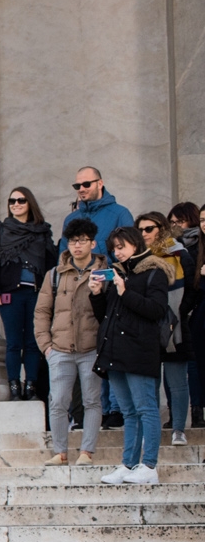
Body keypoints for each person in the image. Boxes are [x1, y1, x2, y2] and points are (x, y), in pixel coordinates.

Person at [93, 226, 168, 485]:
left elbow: (157, 310)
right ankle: (128, 464)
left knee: (146, 408)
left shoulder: (154, 273)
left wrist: (125, 291)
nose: (117, 252)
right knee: (128, 412)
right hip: (114, 351)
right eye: (114, 248)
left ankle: (149, 466)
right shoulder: (118, 274)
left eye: (121, 246)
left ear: (135, 244)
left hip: (139, 351)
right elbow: (107, 314)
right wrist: (96, 295)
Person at [35, 216, 105, 465]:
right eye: (73, 241)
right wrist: (46, 347)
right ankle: (60, 452)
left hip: (91, 347)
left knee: (91, 401)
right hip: (60, 349)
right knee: (58, 401)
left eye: (82, 241)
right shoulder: (54, 275)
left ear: (93, 244)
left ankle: (86, 452)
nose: (77, 246)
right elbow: (42, 311)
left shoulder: (105, 273)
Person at [0, 186, 55, 399]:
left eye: (21, 200)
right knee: (14, 342)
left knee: (33, 343)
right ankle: (14, 386)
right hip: (10, 294)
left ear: (30, 203)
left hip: (36, 293)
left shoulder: (42, 231)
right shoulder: (0, 229)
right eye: (12, 201)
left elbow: (51, 263)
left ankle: (31, 386)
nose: (16, 204)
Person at [140, 212, 190, 446]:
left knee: (177, 380)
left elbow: (192, 288)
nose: (144, 234)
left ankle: (178, 429)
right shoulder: (139, 257)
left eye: (149, 229)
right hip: (148, 323)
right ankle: (151, 431)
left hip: (175, 323)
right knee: (150, 382)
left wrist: (178, 314)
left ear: (161, 228)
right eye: (140, 230)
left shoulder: (178, 253)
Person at [58, 166, 132, 258]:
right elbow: (63, 259)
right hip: (77, 272)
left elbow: (129, 254)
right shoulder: (70, 219)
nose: (81, 189)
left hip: (109, 271)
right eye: (77, 186)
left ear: (100, 184)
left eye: (86, 184)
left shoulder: (120, 214)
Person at [175, 201, 205, 429]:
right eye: (203, 220)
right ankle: (197, 410)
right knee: (196, 364)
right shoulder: (198, 249)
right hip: (199, 315)